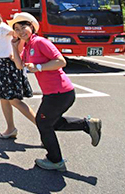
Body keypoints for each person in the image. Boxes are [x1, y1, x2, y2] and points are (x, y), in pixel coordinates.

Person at [9, 12, 102, 171]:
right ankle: (87, 124)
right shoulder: (29, 45)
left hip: (60, 92)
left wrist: (39, 67)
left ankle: (55, 160)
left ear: (32, 26)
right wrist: (13, 46)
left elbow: (61, 61)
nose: (20, 31)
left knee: (43, 123)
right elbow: (19, 65)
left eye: (23, 26)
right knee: (51, 122)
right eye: (17, 29)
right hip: (53, 93)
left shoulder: (40, 42)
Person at [0, 6, 36, 139]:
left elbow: (18, 35)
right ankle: (10, 129)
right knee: (4, 99)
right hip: (3, 65)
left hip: (9, 65)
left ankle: (43, 128)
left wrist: (17, 54)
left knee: (14, 101)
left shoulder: (3, 27)